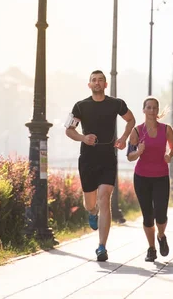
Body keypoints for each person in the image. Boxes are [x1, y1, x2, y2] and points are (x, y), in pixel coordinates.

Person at [65, 70, 135, 262]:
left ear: (105, 85)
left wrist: (123, 138)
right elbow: (69, 130)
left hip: (107, 158)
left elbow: (131, 119)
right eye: (93, 80)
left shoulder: (116, 104)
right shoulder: (80, 106)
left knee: (105, 198)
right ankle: (92, 212)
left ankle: (102, 247)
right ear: (89, 85)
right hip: (87, 158)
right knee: (90, 203)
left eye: (100, 80)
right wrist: (83, 138)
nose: (97, 83)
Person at [127, 96, 173, 262]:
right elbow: (130, 156)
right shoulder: (136, 131)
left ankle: (161, 236)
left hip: (161, 177)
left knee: (161, 215)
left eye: (154, 108)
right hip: (142, 177)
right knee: (148, 216)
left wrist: (169, 155)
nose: (151, 110)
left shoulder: (166, 129)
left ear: (158, 111)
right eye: (148, 107)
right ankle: (151, 248)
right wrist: (138, 152)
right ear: (143, 110)